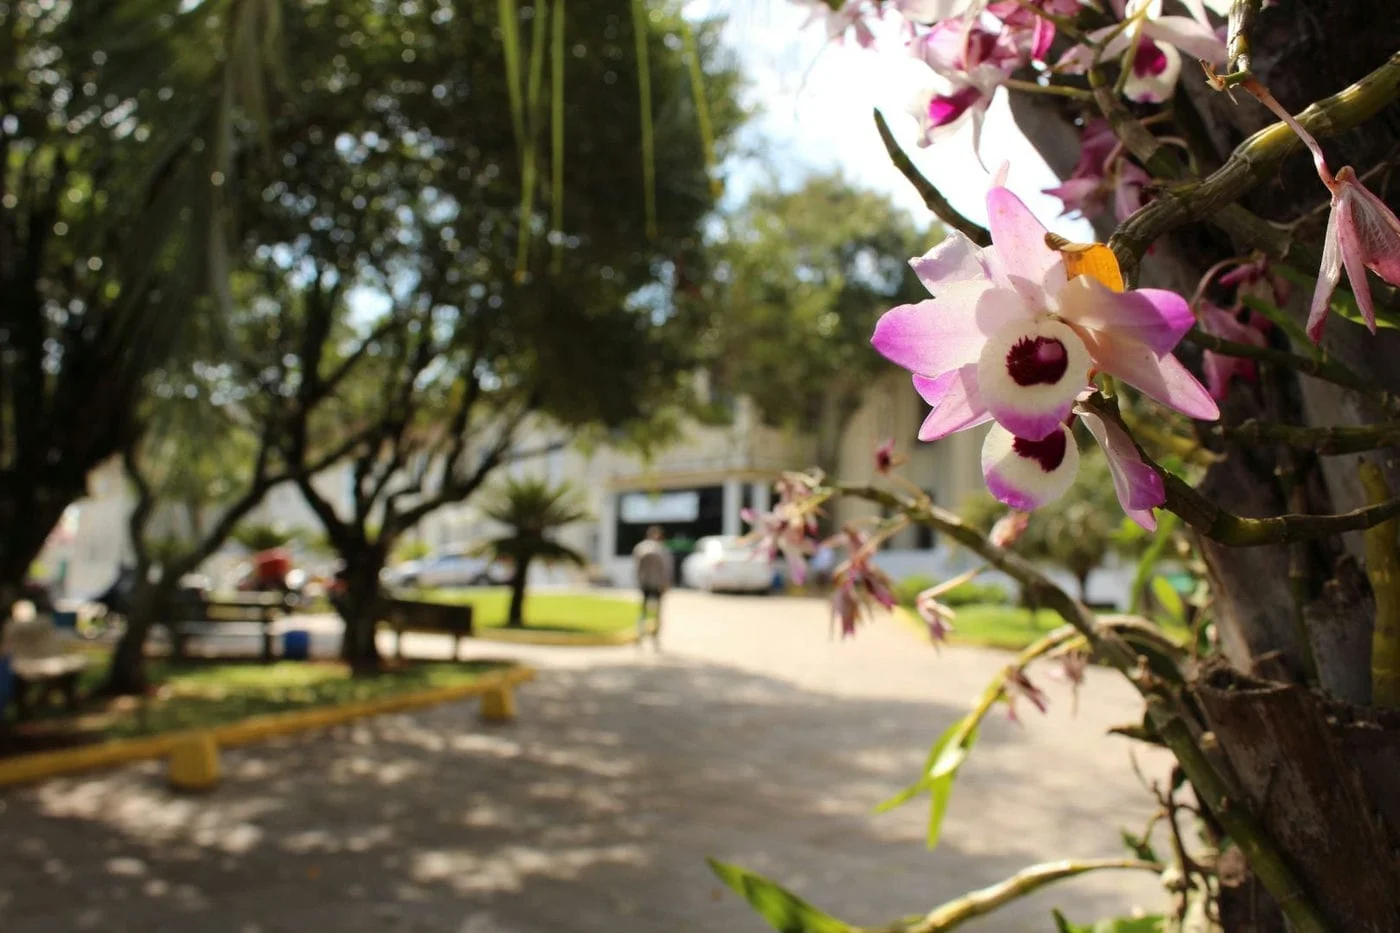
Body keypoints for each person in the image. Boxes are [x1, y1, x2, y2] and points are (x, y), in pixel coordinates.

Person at [632, 526, 674, 649]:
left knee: (649, 612)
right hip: (653, 584)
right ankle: (647, 637)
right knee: (651, 612)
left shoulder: (640, 548)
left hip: (649, 583)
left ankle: (647, 637)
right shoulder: (661, 549)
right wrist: (666, 583)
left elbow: (637, 567)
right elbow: (667, 568)